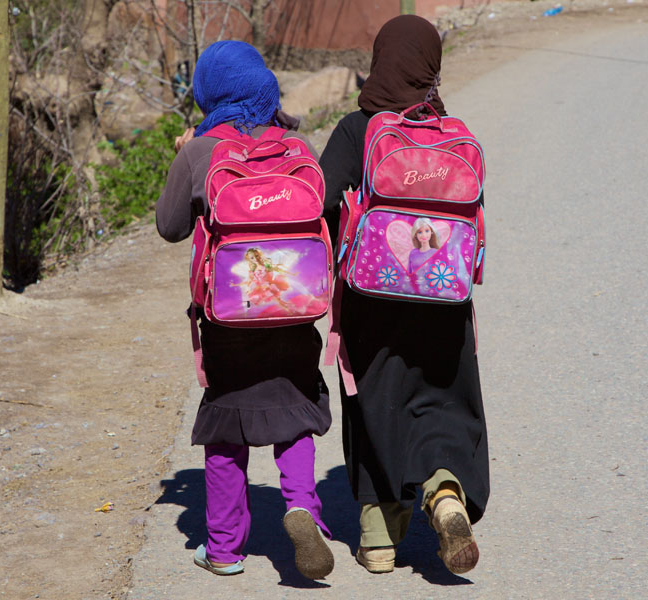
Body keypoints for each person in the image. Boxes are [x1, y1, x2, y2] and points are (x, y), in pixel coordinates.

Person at [155, 40, 334, 580]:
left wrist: (184, 152)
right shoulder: (294, 147)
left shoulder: (201, 151)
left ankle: (225, 549)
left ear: (207, 92)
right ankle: (303, 508)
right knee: (294, 411)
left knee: (226, 428)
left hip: (229, 321)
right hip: (295, 311)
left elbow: (169, 226)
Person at [319, 15, 489, 576]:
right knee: (442, 398)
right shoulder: (450, 135)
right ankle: (444, 493)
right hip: (445, 302)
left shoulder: (357, 129)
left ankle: (379, 539)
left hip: (373, 301)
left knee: (376, 403)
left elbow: (320, 205)